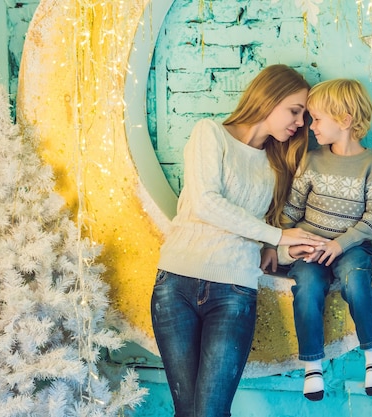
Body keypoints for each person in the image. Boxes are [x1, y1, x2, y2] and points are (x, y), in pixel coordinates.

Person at [150, 64, 328, 417]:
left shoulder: (277, 164)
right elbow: (205, 203)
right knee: (185, 412)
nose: (299, 123)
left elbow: (259, 229)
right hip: (175, 285)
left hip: (234, 291)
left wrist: (281, 246)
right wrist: (275, 236)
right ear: (269, 96)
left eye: (304, 117)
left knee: (212, 412)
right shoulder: (209, 133)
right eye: (294, 110)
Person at [261, 78, 372, 400]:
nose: (310, 125)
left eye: (317, 119)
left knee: (357, 281)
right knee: (307, 287)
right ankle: (312, 366)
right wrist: (280, 243)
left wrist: (339, 244)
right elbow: (292, 209)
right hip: (311, 248)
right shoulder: (313, 160)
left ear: (344, 121)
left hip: (351, 248)